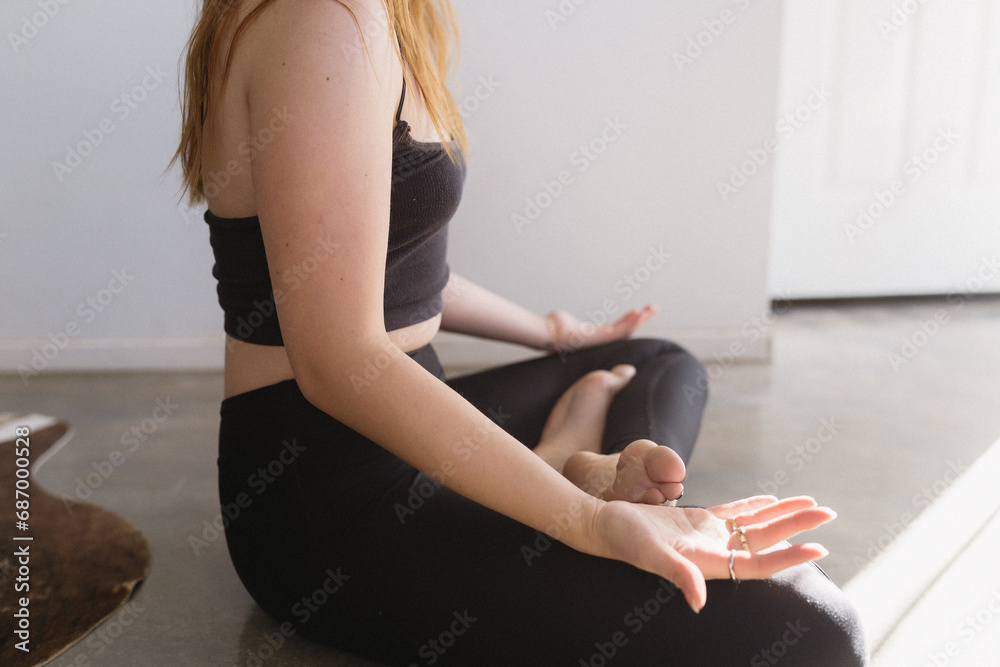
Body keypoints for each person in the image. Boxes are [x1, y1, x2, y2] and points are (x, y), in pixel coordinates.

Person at [172, 0, 868, 664]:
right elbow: (338, 358)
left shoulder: (380, 16)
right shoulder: (319, 19)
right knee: (817, 630)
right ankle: (572, 471)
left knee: (654, 360)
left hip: (406, 413)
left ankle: (584, 467)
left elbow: (392, 269)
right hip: (326, 498)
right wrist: (582, 522)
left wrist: (549, 331)